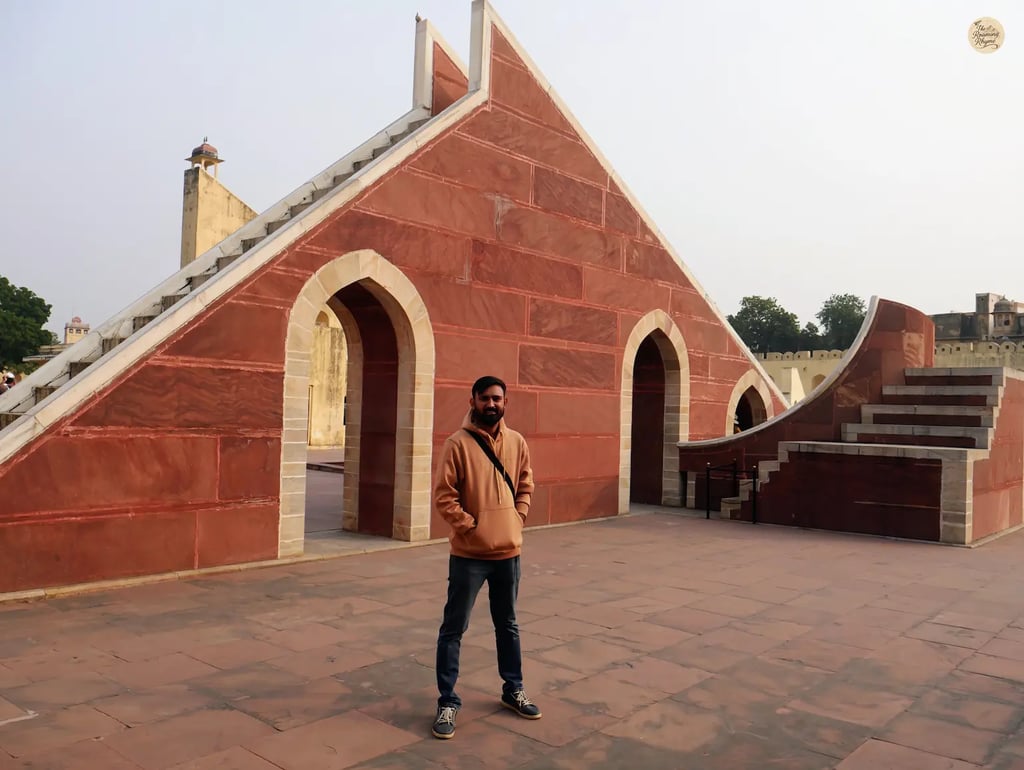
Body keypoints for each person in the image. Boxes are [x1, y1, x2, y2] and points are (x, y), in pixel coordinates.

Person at [432, 375, 540, 739]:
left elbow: (526, 483)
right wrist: (471, 527)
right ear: (473, 400)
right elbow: (444, 497)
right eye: (485, 399)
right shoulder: (457, 444)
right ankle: (447, 700)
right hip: (469, 556)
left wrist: (517, 516)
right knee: (453, 629)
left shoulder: (517, 441)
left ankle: (513, 689)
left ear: (505, 401)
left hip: (508, 553)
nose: (491, 404)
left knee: (507, 624)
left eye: (497, 398)